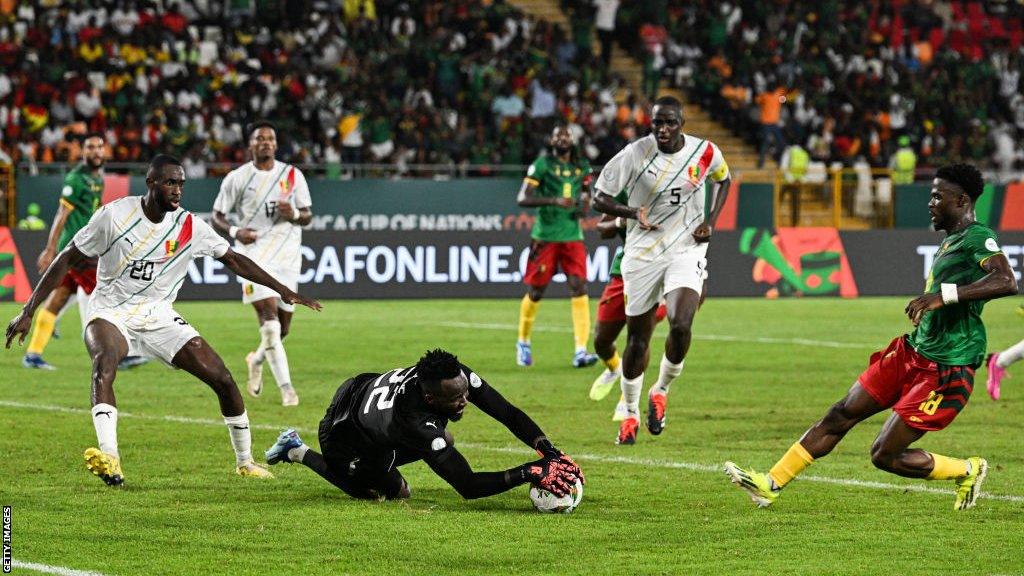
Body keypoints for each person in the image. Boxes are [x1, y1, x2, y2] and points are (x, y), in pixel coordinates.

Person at [5, 154, 322, 486]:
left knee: (224, 379)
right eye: (171, 182)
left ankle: (245, 462)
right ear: (151, 183)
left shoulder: (188, 226)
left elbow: (233, 259)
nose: (177, 190)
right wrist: (28, 311)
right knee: (104, 362)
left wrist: (283, 289)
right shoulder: (114, 216)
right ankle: (110, 457)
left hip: (159, 315)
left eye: (181, 183)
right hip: (110, 311)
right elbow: (67, 256)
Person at [724, 164, 1017, 511]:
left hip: (947, 368)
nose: (930, 203)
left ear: (962, 200)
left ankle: (968, 469)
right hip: (915, 350)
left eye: (937, 196)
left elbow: (1006, 281)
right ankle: (769, 484)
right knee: (840, 413)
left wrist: (943, 295)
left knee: (884, 454)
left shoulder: (976, 237)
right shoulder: (951, 239)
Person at [263, 349, 585, 501]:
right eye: (456, 399)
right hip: (344, 434)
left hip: (363, 396)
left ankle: (309, 451)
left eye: (465, 392)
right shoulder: (415, 422)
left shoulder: (452, 375)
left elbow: (508, 413)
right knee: (390, 494)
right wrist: (529, 471)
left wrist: (549, 452)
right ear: (431, 399)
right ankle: (297, 450)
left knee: (446, 439)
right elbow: (467, 486)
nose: (465, 400)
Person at [593, 95, 731, 445]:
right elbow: (599, 198)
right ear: (650, 124)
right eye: (657, 123)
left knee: (681, 324)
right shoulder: (635, 154)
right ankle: (629, 412)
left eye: (670, 122)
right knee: (637, 341)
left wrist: (710, 222)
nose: (664, 129)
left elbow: (724, 180)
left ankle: (662, 388)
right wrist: (630, 213)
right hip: (641, 255)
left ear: (682, 122)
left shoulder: (705, 151)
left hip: (687, 250)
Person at [212, 121, 313, 407]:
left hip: (287, 256)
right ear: (251, 145)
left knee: (283, 329)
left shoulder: (292, 175)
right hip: (252, 255)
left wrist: (293, 212)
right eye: (260, 138)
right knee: (269, 325)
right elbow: (217, 215)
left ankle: (255, 360)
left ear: (276, 144)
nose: (266, 142)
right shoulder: (237, 178)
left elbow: (307, 216)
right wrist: (234, 232)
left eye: (270, 138)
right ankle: (287, 391)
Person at [515, 124, 599, 369]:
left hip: (573, 235)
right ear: (551, 141)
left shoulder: (581, 166)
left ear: (573, 139)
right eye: (557, 135)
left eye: (567, 135)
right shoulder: (542, 165)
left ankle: (581, 350)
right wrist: (553, 200)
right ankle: (523, 340)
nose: (562, 138)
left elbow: (587, 196)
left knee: (579, 286)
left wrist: (585, 204)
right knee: (537, 290)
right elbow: (522, 198)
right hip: (546, 236)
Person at [21, 133, 104, 370]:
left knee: (58, 299)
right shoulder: (76, 178)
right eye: (90, 147)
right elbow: (61, 214)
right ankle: (106, 348)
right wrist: (50, 249)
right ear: (83, 151)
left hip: (87, 246)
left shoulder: (98, 178)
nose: (96, 152)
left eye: (100, 147)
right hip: (76, 249)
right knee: (102, 292)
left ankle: (33, 354)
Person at [588, 208, 668, 422]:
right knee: (601, 341)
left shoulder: (676, 189)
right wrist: (620, 222)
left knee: (640, 336)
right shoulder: (627, 191)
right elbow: (602, 229)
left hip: (660, 270)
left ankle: (628, 398)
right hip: (625, 269)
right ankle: (615, 368)